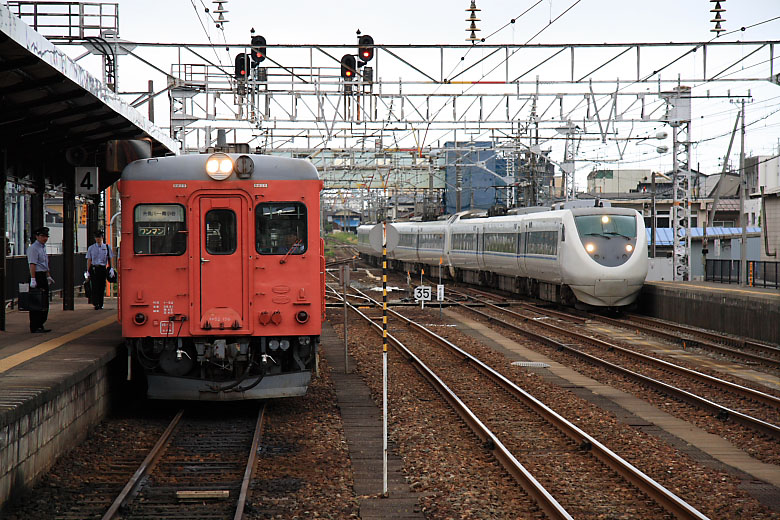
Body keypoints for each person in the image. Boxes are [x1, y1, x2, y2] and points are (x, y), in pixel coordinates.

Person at [27, 227, 53, 333]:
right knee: (36, 301)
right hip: (36, 275)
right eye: (42, 236)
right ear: (37, 236)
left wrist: (48, 275)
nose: (45, 238)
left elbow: (45, 264)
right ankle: (35, 325)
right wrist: (33, 279)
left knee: (44, 301)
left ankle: (40, 323)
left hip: (42, 275)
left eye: (46, 236)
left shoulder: (42, 247)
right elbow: (32, 264)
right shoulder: (34, 248)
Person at [85, 230, 114, 310]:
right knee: (94, 286)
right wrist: (87, 271)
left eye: (99, 237)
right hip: (94, 268)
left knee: (101, 286)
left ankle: (100, 303)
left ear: (102, 238)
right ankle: (96, 303)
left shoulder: (107, 247)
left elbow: (110, 258)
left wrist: (111, 268)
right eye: (97, 237)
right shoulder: (91, 248)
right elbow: (89, 260)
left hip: (102, 268)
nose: (98, 239)